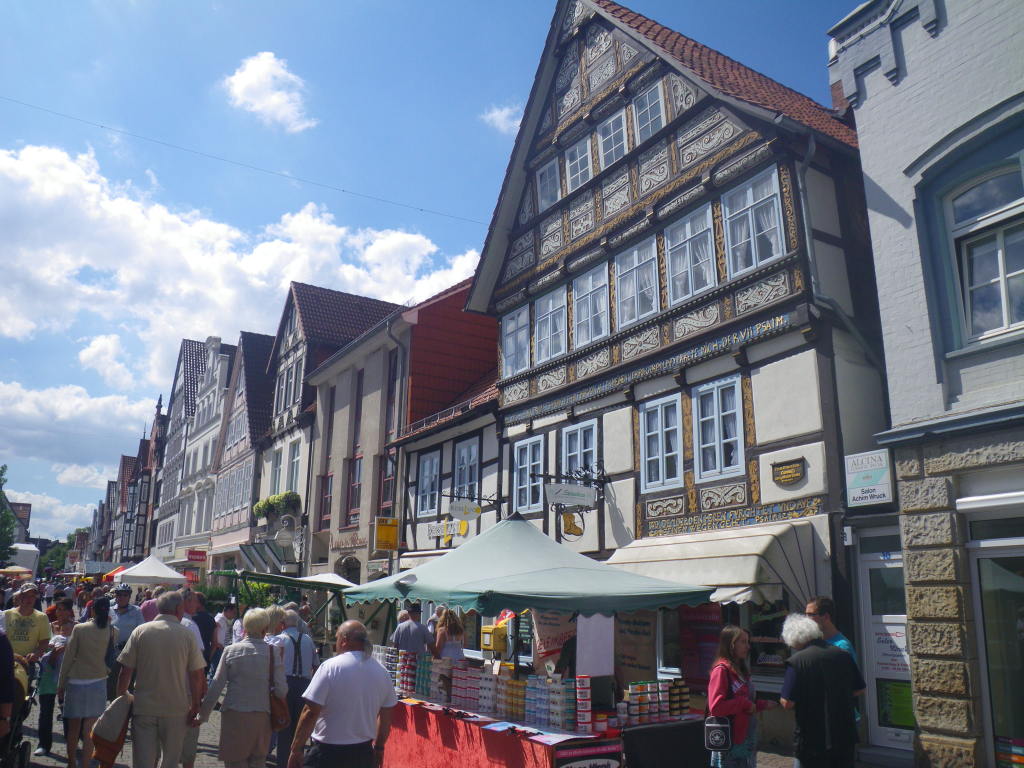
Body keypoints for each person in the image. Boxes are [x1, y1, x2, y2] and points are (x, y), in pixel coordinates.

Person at [116, 590, 207, 768]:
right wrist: (195, 704)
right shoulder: (186, 635)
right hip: (176, 709)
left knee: (143, 760)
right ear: (178, 609)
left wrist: (123, 695)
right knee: (171, 760)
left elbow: (126, 670)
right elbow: (196, 675)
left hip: (144, 707)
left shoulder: (141, 631)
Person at [287, 621, 396, 768]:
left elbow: (310, 712)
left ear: (344, 640)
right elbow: (385, 719)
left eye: (337, 638)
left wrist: (296, 749)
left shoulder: (330, 667)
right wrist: (379, 748)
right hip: (363, 754)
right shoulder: (382, 672)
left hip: (328, 753)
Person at [198, 608, 287, 768]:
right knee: (258, 762)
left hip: (234, 714)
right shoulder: (273, 652)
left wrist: (203, 715)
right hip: (261, 715)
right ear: (265, 628)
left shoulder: (231, 650)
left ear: (244, 627)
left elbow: (216, 686)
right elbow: (281, 690)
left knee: (235, 762)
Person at [779, 614, 866, 768]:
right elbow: (860, 689)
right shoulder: (842, 654)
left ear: (794, 639)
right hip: (844, 734)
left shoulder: (797, 661)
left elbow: (787, 703)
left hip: (813, 737)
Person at [707, 625, 778, 768]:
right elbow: (716, 707)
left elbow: (747, 702)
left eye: (748, 642)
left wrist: (762, 705)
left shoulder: (741, 670)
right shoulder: (721, 671)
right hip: (730, 740)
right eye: (743, 642)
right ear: (731, 644)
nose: (748, 646)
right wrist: (744, 704)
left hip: (745, 737)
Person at [59, 597, 117, 768]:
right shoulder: (112, 631)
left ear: (92, 610)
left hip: (76, 680)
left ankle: (71, 762)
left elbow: (68, 658)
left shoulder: (80, 629)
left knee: (73, 727)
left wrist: (61, 684)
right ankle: (85, 764)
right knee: (90, 728)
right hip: (98, 680)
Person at [275, 610, 320, 768]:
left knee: (284, 725)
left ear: (282, 623)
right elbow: (316, 665)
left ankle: (282, 762)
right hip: (304, 685)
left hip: (286, 684)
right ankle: (297, 762)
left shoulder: (279, 639)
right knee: (300, 728)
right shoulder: (308, 639)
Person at [35, 604, 75, 757]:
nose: (61, 612)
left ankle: (70, 742)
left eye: (64, 609)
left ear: (70, 611)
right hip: (48, 673)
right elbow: (41, 646)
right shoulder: (48, 626)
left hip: (68, 673)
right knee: (45, 710)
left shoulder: (77, 627)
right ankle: (44, 744)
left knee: (67, 710)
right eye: (58, 609)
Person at [109, 584, 144, 699]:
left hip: (130, 652)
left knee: (128, 685)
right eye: (119, 594)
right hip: (112, 653)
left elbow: (141, 630)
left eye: (125, 595)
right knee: (112, 684)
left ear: (129, 597)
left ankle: (127, 710)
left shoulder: (137, 611)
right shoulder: (110, 610)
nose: (121, 597)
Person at [4, 582, 51, 664]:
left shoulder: (42, 617)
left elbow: (44, 641)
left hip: (28, 660)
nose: (29, 599)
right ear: (20, 596)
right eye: (26, 596)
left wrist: (36, 654)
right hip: (7, 658)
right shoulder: (6, 614)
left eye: (32, 596)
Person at [805, 596, 858, 665]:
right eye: (805, 615)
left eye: (810, 615)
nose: (806, 619)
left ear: (826, 617)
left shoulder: (842, 647)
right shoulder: (812, 642)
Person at [210, 603, 237, 679]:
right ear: (228, 611)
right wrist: (217, 644)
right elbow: (214, 632)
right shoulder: (219, 619)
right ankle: (211, 690)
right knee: (215, 672)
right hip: (217, 649)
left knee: (216, 672)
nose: (234, 615)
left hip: (219, 648)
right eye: (233, 612)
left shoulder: (222, 619)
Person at [192, 592, 217, 666]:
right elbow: (214, 642)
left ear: (198, 603)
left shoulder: (192, 619)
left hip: (193, 657)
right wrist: (209, 658)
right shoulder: (211, 618)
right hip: (206, 657)